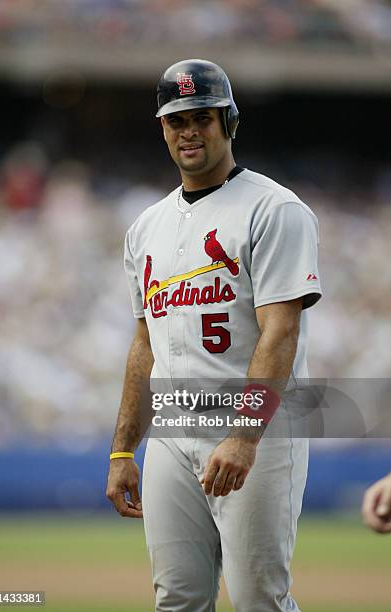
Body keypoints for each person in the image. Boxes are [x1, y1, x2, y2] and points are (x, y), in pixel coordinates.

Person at [106, 59, 322, 611]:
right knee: (176, 598)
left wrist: (245, 437)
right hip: (174, 430)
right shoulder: (145, 226)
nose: (189, 131)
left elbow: (281, 330)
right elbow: (144, 344)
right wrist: (122, 448)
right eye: (176, 120)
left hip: (257, 428)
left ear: (228, 121)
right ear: (162, 129)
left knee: (258, 601)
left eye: (202, 117)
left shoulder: (274, 208)